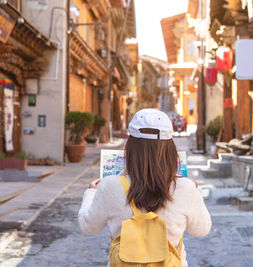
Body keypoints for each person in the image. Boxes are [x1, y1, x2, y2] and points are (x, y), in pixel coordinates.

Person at [78, 108, 211, 266]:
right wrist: (194, 191)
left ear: (131, 146)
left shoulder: (110, 185)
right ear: (169, 148)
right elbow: (201, 229)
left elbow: (88, 226)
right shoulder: (185, 187)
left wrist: (91, 192)